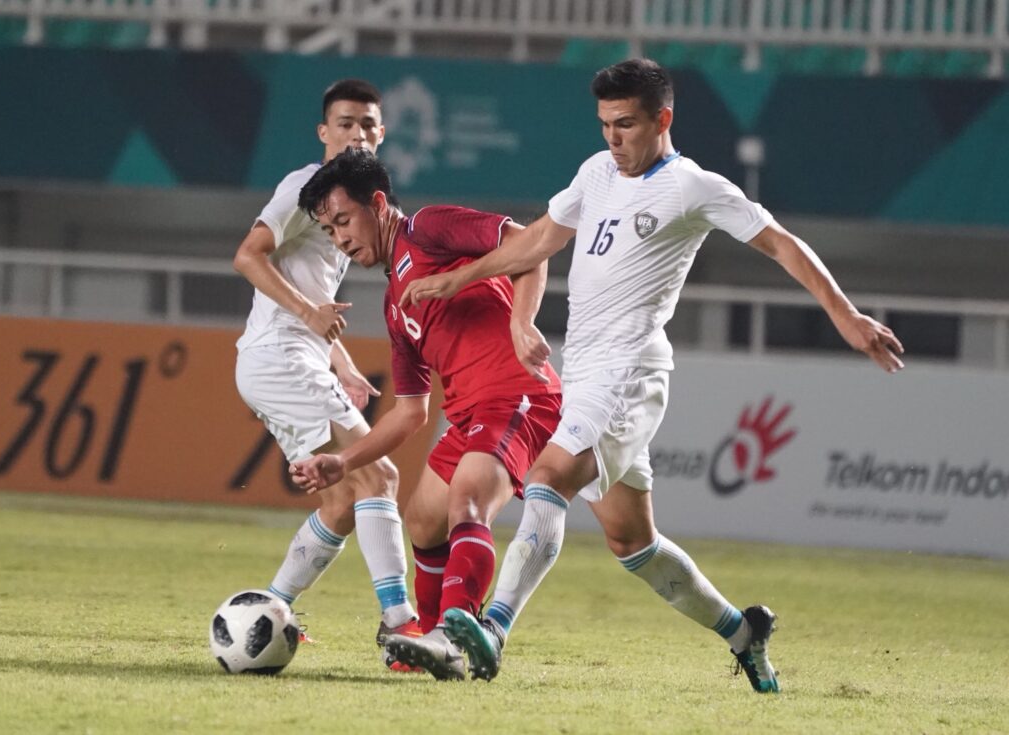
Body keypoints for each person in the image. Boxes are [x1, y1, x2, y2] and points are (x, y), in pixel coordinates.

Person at [399, 58, 906, 692]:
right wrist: (461, 277)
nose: (614, 138)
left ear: (663, 119)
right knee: (631, 540)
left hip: (631, 371)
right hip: (583, 371)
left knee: (548, 477)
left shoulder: (693, 186)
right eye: (606, 124)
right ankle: (743, 633)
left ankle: (493, 629)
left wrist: (847, 314)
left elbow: (779, 241)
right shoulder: (596, 173)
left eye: (627, 125)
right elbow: (535, 243)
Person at [287, 148, 563, 681]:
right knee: (421, 519)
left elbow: (532, 245)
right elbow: (410, 413)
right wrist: (342, 462)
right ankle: (436, 644)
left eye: (343, 220)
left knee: (466, 503)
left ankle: (449, 638)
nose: (340, 238)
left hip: (516, 394)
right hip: (467, 418)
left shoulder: (430, 228)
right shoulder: (395, 305)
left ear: (379, 203)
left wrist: (522, 323)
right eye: (328, 230)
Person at [233, 79, 419, 664]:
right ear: (324, 132)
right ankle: (399, 626)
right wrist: (310, 315)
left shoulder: (350, 199)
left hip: (290, 357)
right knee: (379, 476)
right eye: (345, 123)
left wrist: (340, 364)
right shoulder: (301, 189)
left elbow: (314, 298)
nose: (357, 133)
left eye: (367, 124)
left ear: (381, 134)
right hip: (279, 355)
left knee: (341, 504)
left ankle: (268, 610)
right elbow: (247, 255)